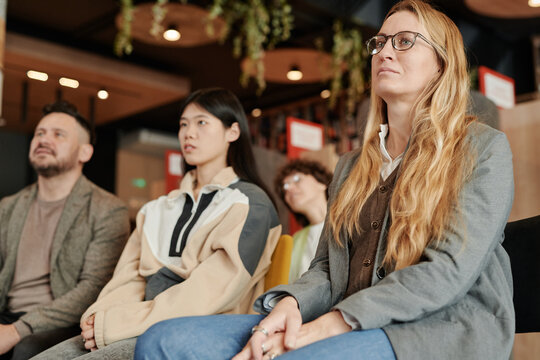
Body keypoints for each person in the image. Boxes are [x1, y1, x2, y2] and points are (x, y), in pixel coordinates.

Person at [133, 1, 515, 359]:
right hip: (344, 320)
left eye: (404, 42)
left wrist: (336, 322)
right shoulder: (351, 166)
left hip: (435, 332)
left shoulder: (483, 149)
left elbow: (446, 269)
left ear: (441, 64)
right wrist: (290, 305)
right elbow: (326, 270)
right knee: (162, 341)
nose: (384, 52)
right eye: (379, 43)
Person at [33, 88, 282, 359]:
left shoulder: (249, 203)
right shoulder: (158, 208)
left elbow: (210, 295)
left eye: (201, 122)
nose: (189, 133)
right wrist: (100, 317)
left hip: (204, 332)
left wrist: (118, 324)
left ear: (232, 132)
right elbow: (129, 277)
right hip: (139, 324)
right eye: (183, 124)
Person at [0, 101, 130, 360]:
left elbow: (92, 288)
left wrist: (17, 330)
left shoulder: (108, 209)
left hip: (61, 323)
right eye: (40, 133)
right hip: (7, 313)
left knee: (26, 348)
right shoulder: (8, 206)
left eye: (58, 134)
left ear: (85, 152)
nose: (44, 139)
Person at [273, 160, 332, 282]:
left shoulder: (351, 224)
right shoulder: (294, 240)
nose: (289, 188)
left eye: (296, 179)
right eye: (285, 187)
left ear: (322, 183)